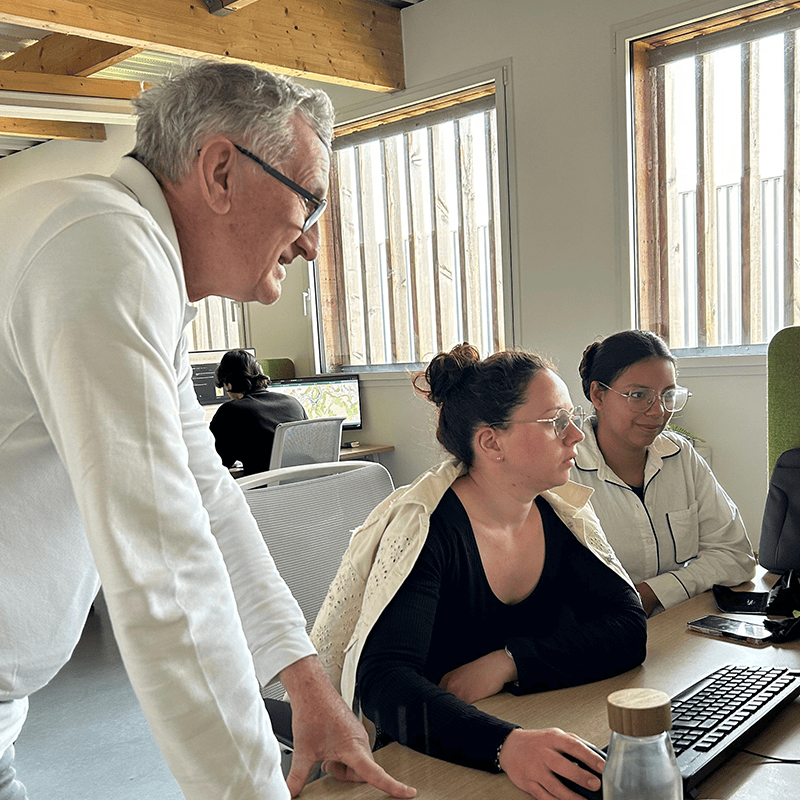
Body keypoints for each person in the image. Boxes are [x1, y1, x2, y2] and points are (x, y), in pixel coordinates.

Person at [0, 62, 415, 800]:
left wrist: (308, 689)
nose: (311, 243)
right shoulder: (100, 246)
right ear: (221, 170)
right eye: (309, 202)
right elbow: (163, 563)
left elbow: (209, 501)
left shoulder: (129, 253)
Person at [311, 344, 647, 800]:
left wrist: (510, 662)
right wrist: (503, 746)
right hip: (429, 760)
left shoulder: (559, 516)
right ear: (491, 442)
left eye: (571, 417)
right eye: (554, 422)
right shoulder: (428, 530)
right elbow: (385, 681)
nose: (576, 435)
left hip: (524, 722)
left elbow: (627, 629)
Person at [572, 330, 756, 616]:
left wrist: (653, 592)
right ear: (598, 394)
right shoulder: (565, 470)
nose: (658, 411)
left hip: (678, 626)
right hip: (604, 639)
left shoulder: (680, 455)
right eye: (638, 395)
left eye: (668, 395)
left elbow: (736, 556)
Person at [210, 349, 307, 475]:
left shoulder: (231, 411)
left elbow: (214, 463)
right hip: (301, 488)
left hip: (263, 491)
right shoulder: (293, 403)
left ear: (228, 384)